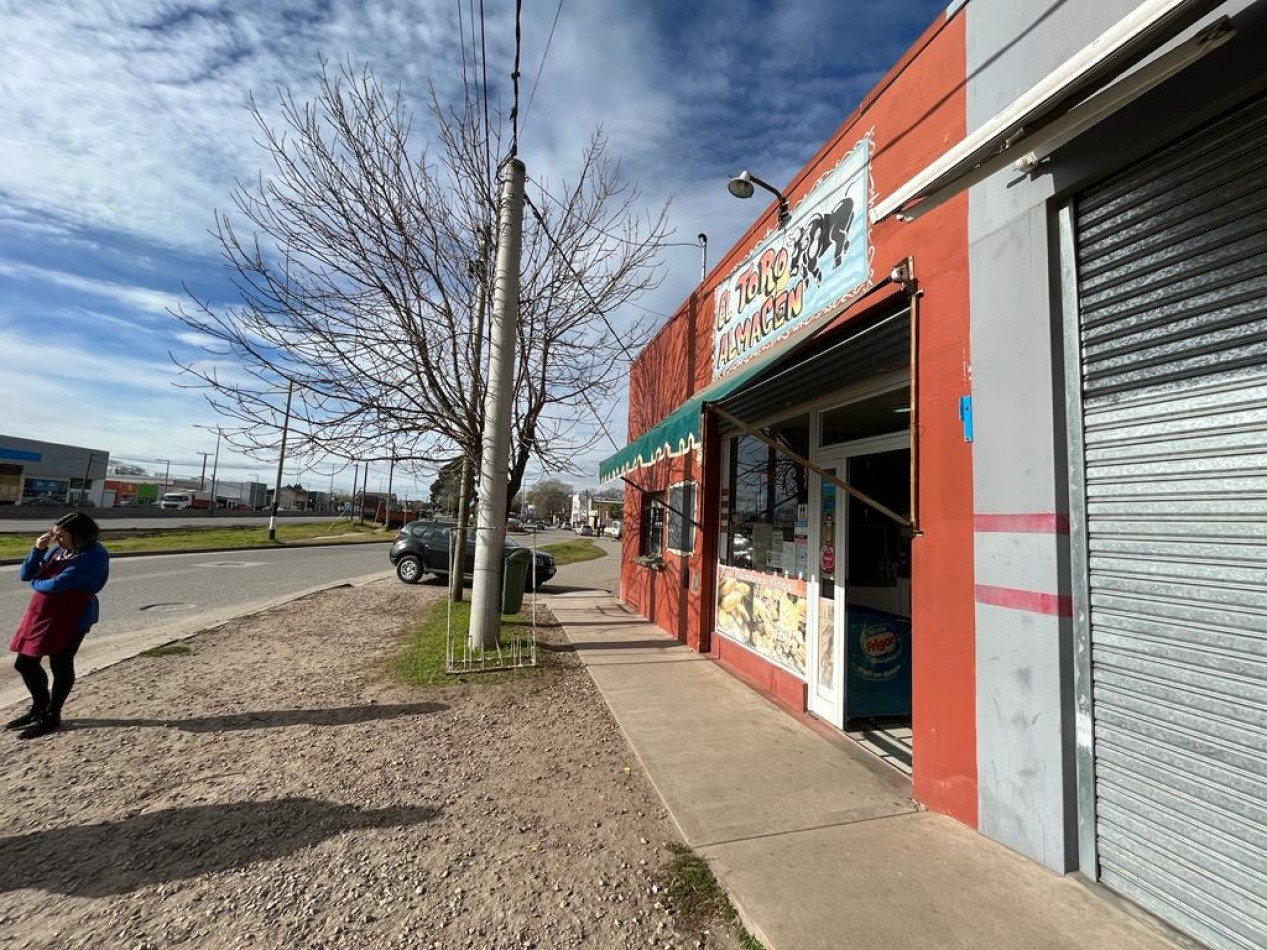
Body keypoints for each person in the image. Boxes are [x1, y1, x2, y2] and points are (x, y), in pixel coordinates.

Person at [7, 512, 110, 739]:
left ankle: (52, 714)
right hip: (41, 614)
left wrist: (37, 582)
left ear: (79, 535)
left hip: (72, 616)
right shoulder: (59, 551)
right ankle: (40, 706)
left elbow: (58, 584)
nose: (56, 540)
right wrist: (38, 550)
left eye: (61, 536)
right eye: (54, 535)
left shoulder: (95, 555)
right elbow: (26, 574)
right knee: (25, 662)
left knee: (61, 663)